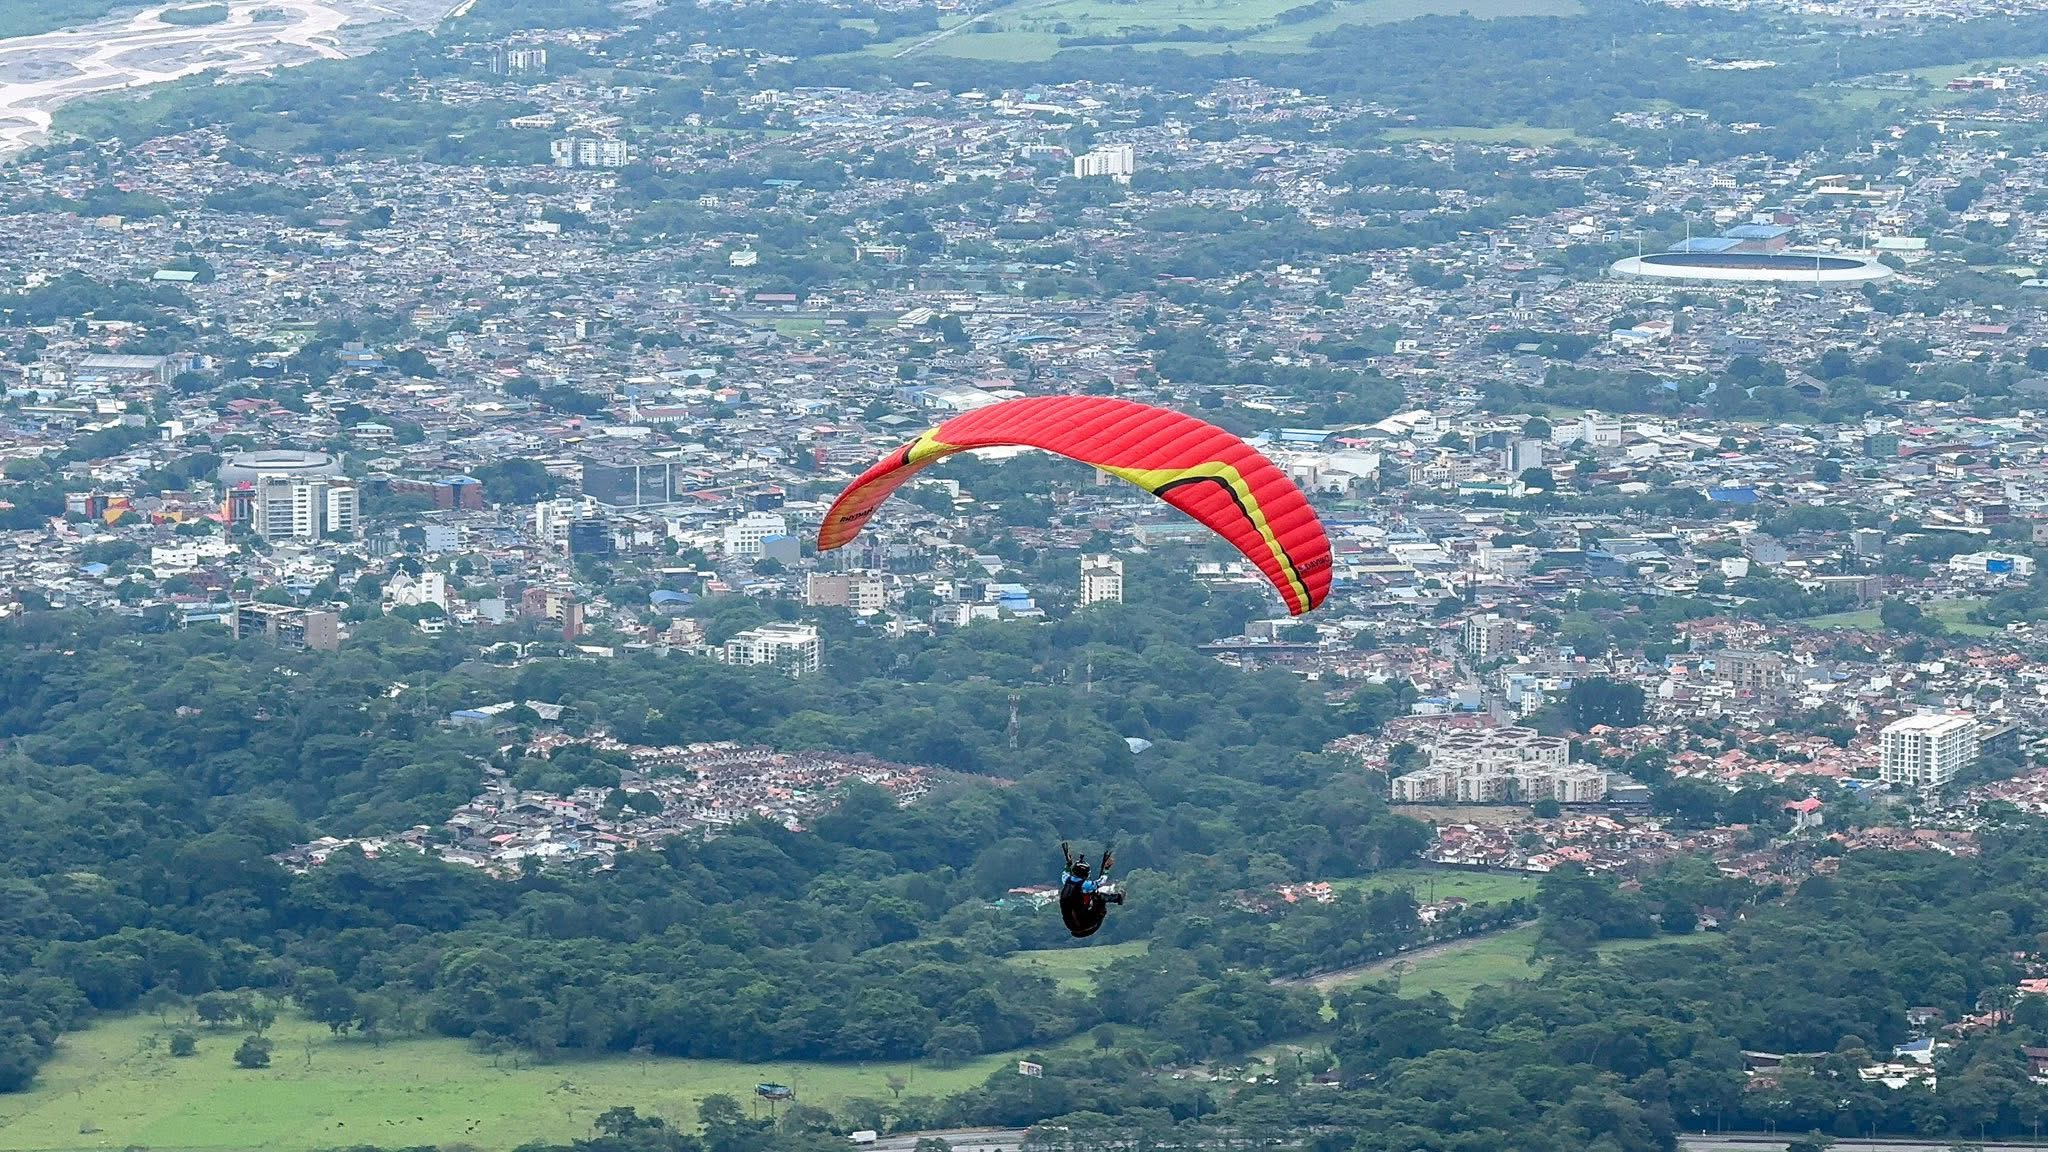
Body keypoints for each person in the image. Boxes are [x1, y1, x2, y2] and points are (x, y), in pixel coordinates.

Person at [1058, 841, 1123, 938]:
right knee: (1098, 897)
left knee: (1090, 896)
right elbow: (1101, 881)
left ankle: (1117, 898)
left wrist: (1068, 863)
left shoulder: (1066, 879)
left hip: (1071, 925)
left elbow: (1066, 871)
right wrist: (1106, 869)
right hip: (1084, 924)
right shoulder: (1085, 885)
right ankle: (1118, 898)